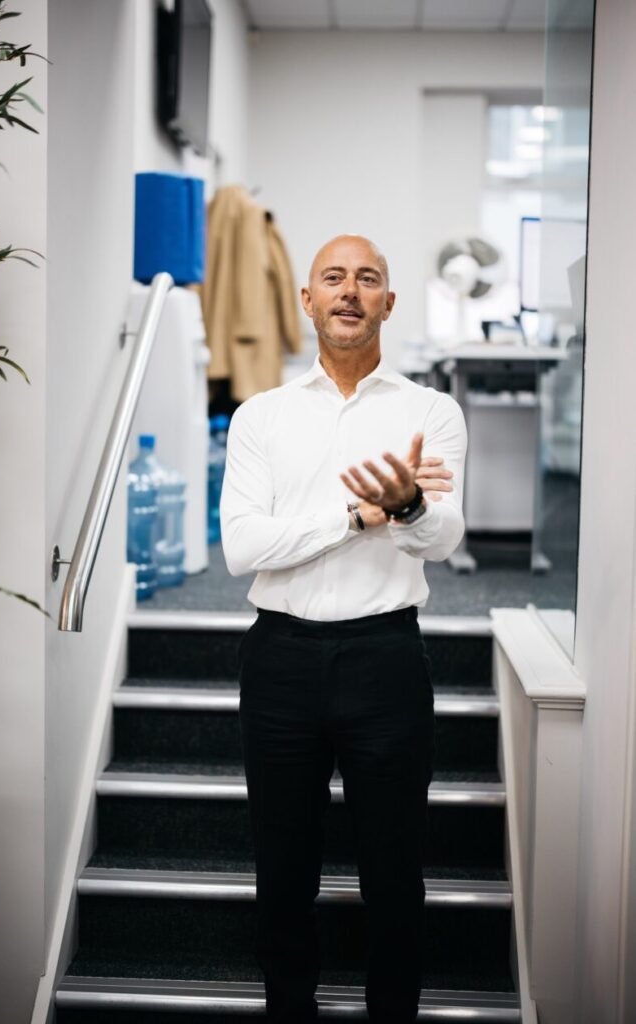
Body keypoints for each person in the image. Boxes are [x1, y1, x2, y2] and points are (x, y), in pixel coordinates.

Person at [220, 234, 467, 1023]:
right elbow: (242, 548)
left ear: (388, 303)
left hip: (385, 658)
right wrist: (358, 515)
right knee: (282, 870)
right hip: (280, 661)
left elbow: (443, 538)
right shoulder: (261, 416)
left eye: (367, 279)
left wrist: (411, 508)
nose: (349, 291)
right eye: (333, 277)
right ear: (308, 300)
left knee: (393, 872)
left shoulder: (430, 412)